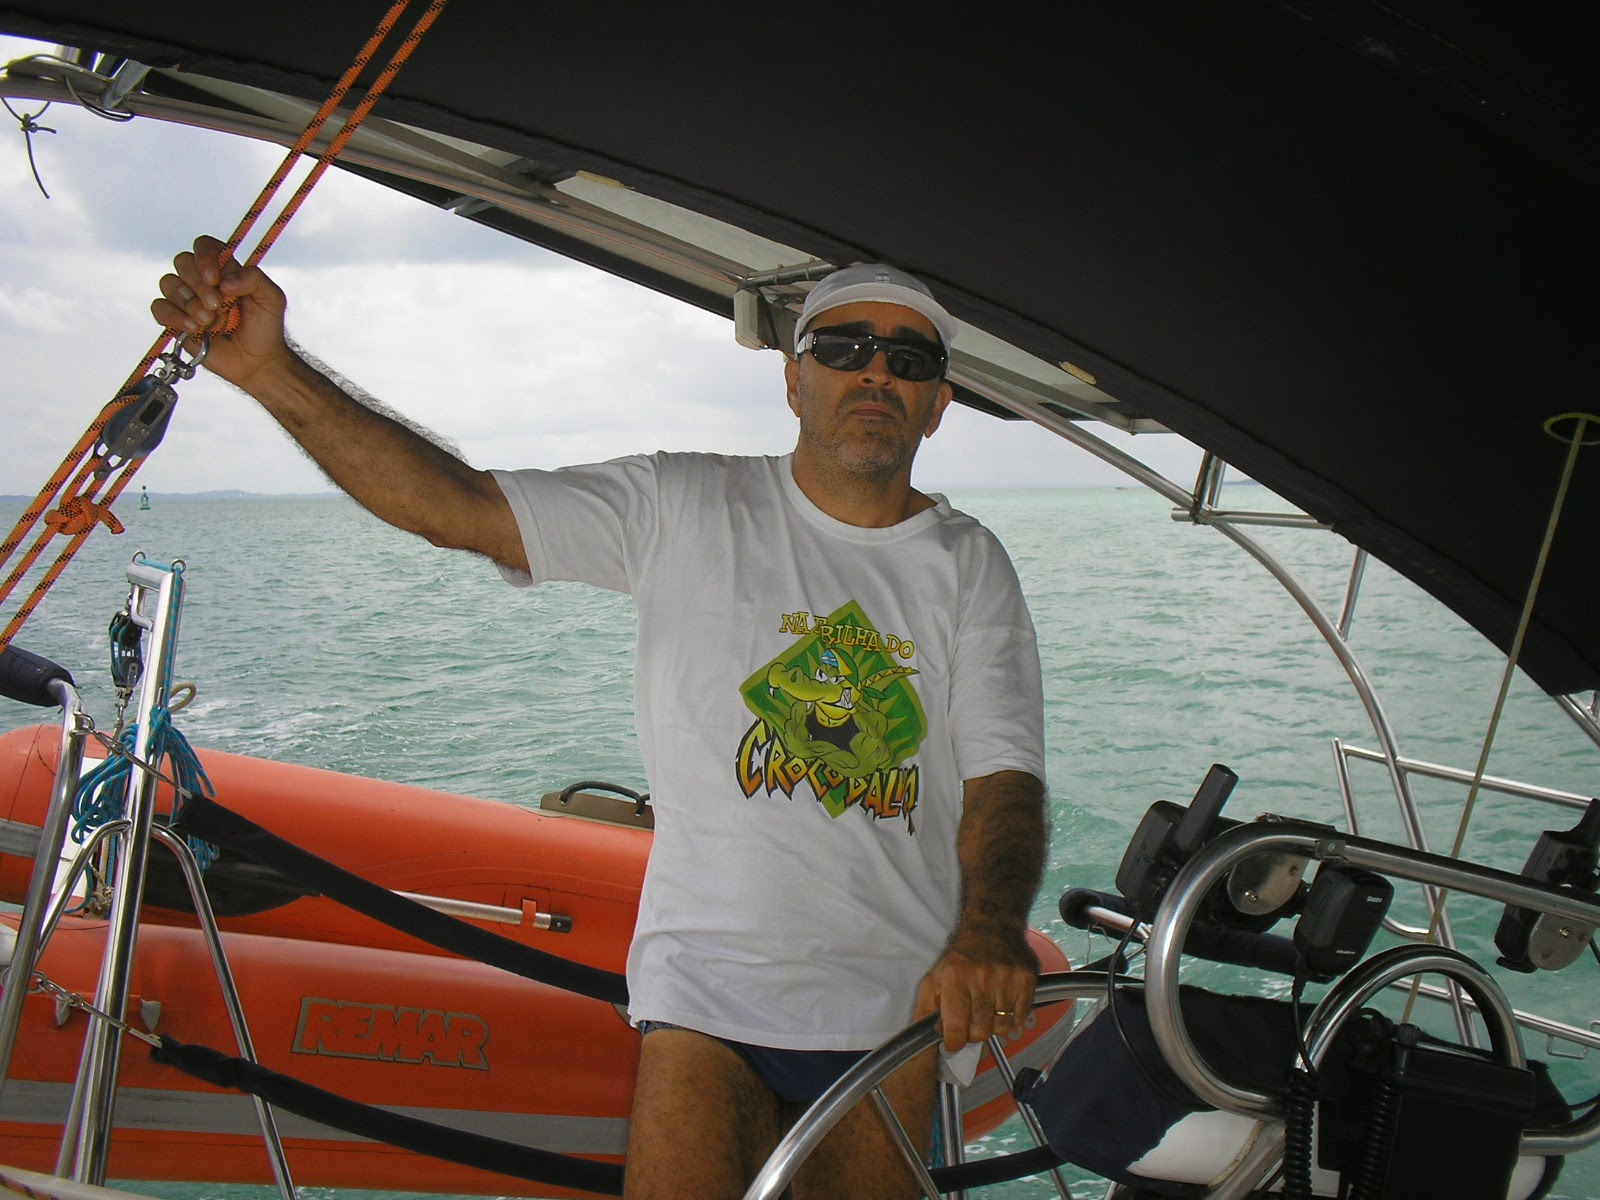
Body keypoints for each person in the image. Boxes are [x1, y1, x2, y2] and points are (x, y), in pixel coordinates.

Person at [153, 240, 1048, 1199]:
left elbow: (1003, 779)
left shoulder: (968, 565)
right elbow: (457, 506)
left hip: (893, 1004)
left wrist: (991, 930)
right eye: (843, 347)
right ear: (795, 380)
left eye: (909, 359)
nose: (875, 371)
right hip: (704, 993)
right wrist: (272, 371)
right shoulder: (681, 503)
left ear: (938, 403)